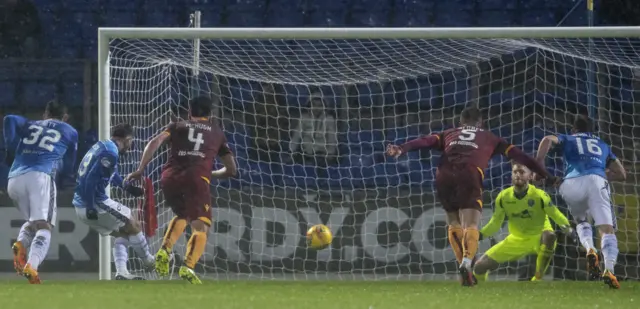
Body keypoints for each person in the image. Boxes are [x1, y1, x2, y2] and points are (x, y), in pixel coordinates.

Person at [386, 106, 558, 286]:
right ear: (480, 123)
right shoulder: (490, 137)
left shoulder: (448, 133)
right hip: (469, 173)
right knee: (471, 224)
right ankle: (467, 263)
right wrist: (548, 176)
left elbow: (424, 141)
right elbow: (523, 157)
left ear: (461, 122)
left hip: (443, 173)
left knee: (453, 222)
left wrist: (401, 148)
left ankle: (463, 268)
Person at [126, 96, 237, 284]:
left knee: (183, 214)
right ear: (210, 114)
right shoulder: (217, 132)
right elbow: (231, 169)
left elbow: (155, 141)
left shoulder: (177, 126)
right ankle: (188, 266)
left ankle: (165, 250)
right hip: (196, 178)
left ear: (189, 111)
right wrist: (212, 174)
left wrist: (141, 169)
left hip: (169, 177)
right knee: (202, 225)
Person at [536, 114, 626, 289]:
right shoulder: (603, 144)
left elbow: (547, 139)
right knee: (607, 230)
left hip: (571, 184)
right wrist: (601, 173)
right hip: (597, 180)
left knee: (581, 220)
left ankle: (589, 249)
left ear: (573, 129)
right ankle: (609, 270)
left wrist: (539, 164)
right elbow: (622, 174)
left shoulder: (568, 138)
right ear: (591, 130)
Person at [4, 101, 77, 284]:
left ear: (45, 114)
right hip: (40, 176)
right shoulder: (69, 131)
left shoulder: (30, 124)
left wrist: (10, 148)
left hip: (14, 179)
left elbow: (9, 119)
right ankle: (32, 266)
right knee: (45, 226)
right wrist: (64, 175)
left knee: (33, 222)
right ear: (65, 118)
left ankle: (21, 244)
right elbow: (69, 166)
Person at [73, 123, 154, 280]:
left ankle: (122, 272)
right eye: (131, 142)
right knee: (133, 223)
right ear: (128, 139)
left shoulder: (103, 145)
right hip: (93, 202)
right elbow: (90, 180)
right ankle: (149, 261)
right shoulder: (111, 152)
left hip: (80, 204)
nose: (131, 146)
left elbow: (112, 173)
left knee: (123, 233)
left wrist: (127, 188)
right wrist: (90, 206)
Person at [473, 162, 571, 281]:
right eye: (515, 172)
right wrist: (479, 235)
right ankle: (483, 291)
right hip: (517, 239)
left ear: (530, 176)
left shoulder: (539, 195)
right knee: (479, 267)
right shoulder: (503, 197)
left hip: (538, 236)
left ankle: (537, 279)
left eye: (522, 172)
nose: (518, 175)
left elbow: (555, 214)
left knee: (549, 235)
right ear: (511, 175)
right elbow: (495, 223)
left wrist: (568, 229)